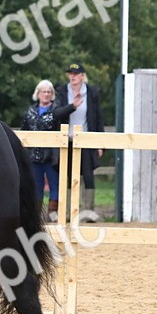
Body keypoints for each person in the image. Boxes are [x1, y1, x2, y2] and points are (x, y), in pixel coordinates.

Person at [55, 63, 105, 222]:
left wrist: (100, 142)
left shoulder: (92, 93)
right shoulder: (61, 91)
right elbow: (57, 113)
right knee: (68, 177)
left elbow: (97, 118)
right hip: (67, 140)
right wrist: (72, 106)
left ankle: (89, 213)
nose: (73, 76)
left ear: (83, 75)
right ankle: (68, 213)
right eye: (70, 73)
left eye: (76, 74)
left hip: (86, 140)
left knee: (88, 177)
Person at [20, 79, 75, 220]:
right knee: (36, 187)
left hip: (52, 157)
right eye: (43, 92)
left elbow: (64, 116)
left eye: (49, 92)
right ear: (37, 94)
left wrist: (73, 105)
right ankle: (37, 216)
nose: (46, 94)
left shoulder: (56, 110)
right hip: (33, 156)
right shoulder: (30, 111)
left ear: (52, 95)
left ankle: (53, 214)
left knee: (55, 186)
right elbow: (24, 130)